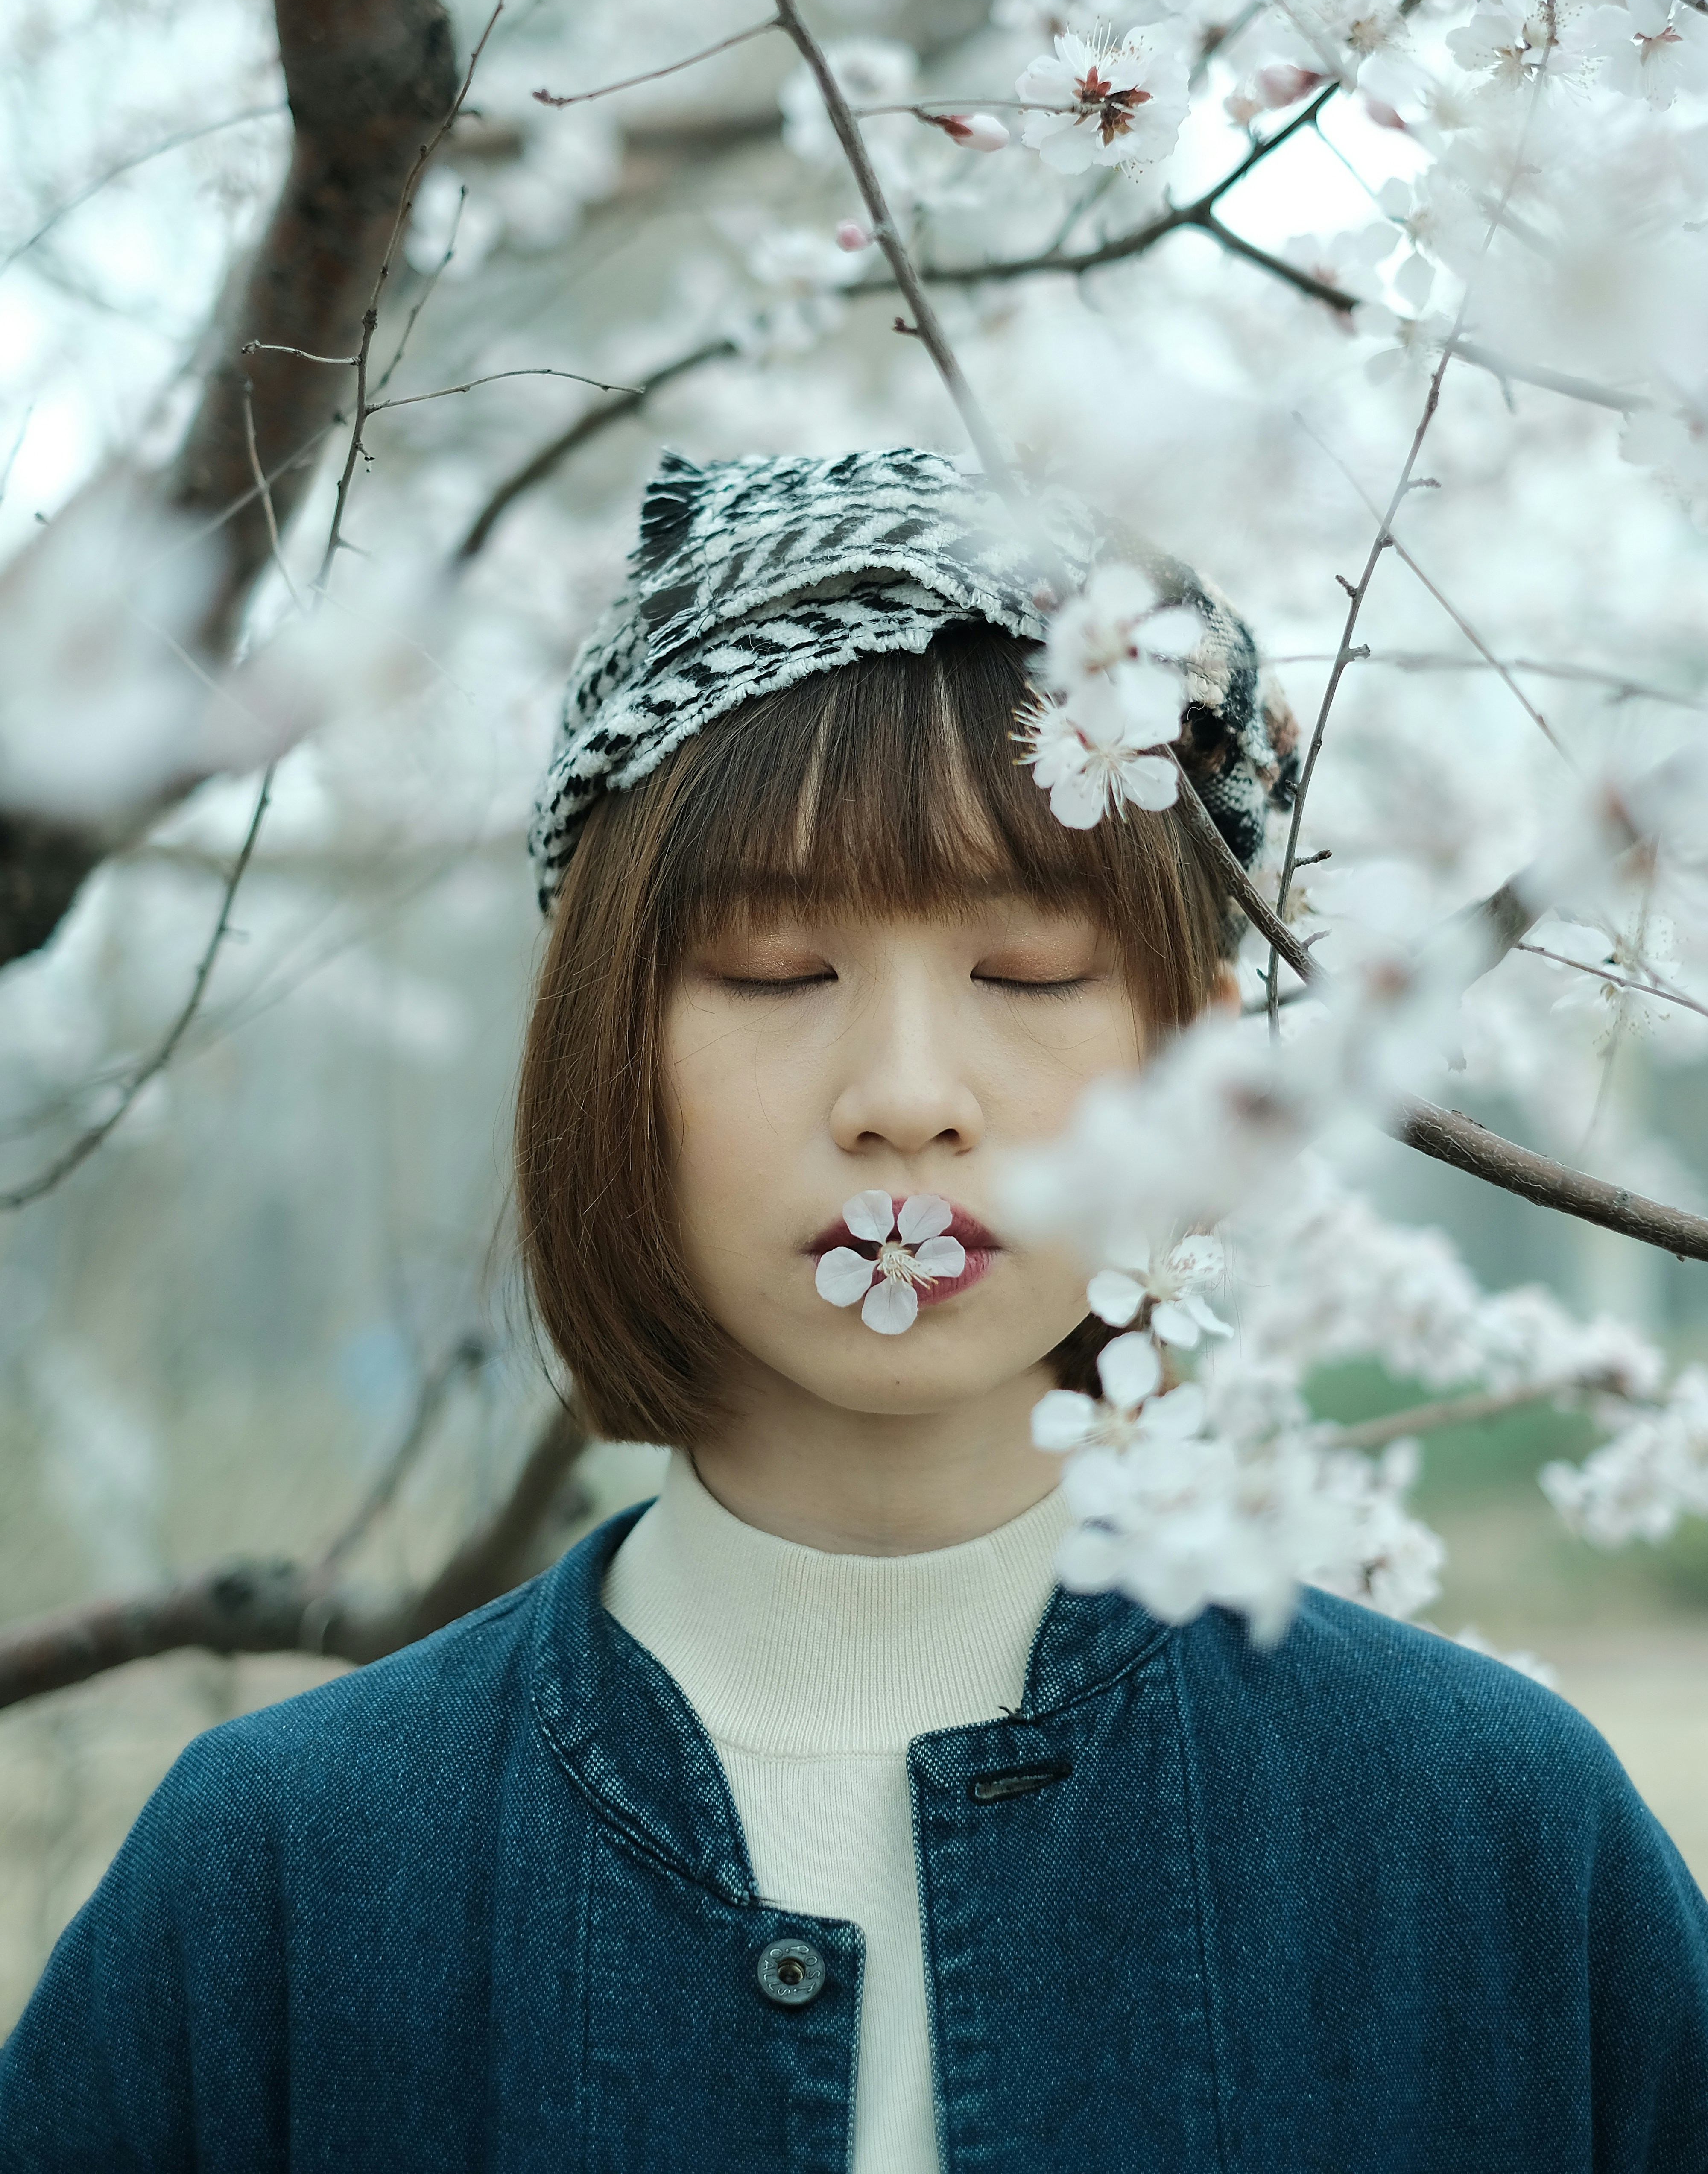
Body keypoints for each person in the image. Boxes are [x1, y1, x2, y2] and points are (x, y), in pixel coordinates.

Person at [3, 444, 1705, 2172]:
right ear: (608, 1046)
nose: (904, 1096)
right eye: (777, 974)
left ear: (1197, 1059)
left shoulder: (1497, 1844)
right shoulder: (284, 1874)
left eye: (1028, 975)